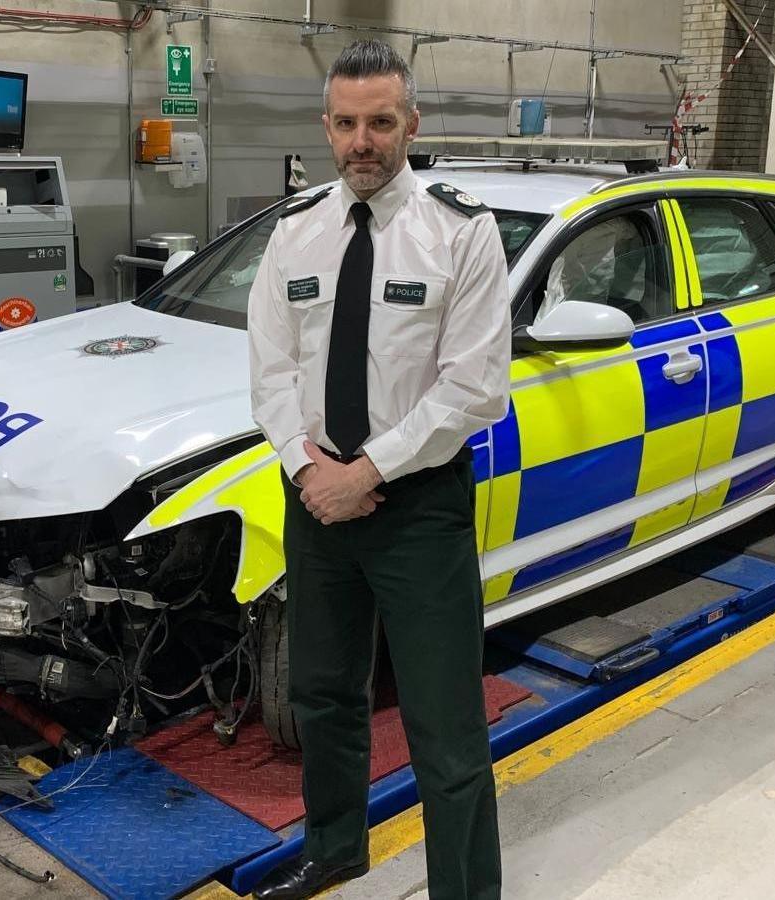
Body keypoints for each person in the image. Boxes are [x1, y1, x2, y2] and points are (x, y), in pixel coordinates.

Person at [246, 39, 510, 900]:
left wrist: (370, 470)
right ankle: (336, 848)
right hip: (316, 501)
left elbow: (476, 388)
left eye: (381, 123)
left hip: (419, 506)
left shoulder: (461, 233)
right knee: (322, 694)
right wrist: (308, 467)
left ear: (411, 125)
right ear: (327, 127)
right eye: (348, 124)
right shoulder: (296, 234)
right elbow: (271, 372)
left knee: (445, 722)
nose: (364, 141)